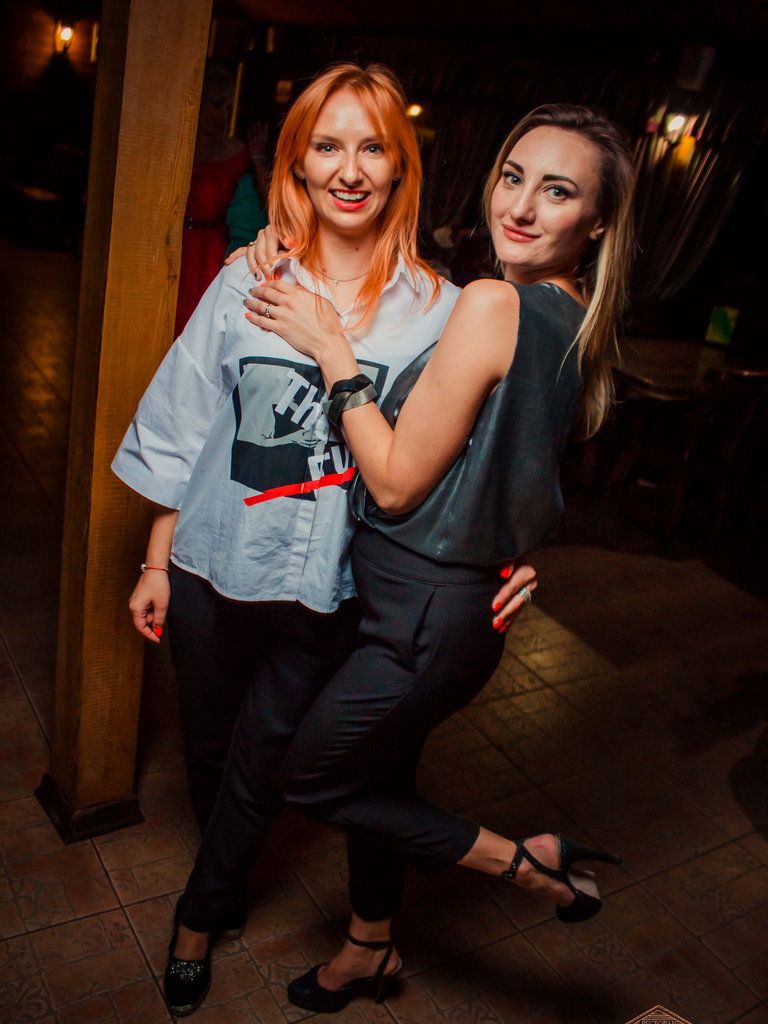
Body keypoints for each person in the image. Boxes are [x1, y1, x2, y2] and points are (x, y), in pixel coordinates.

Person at [111, 62, 534, 1017]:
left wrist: (514, 553)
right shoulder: (248, 276)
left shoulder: (442, 310)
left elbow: (477, 458)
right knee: (210, 750)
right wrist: (155, 559)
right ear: (297, 164)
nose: (350, 169)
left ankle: (195, 920)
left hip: (328, 587)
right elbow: (187, 423)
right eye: (327, 146)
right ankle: (219, 884)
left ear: (400, 167)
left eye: (372, 147)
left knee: (262, 759)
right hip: (210, 565)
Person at [238, 101, 635, 1013]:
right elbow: (517, 472)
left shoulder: (495, 302)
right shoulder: (575, 318)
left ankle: (525, 862)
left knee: (311, 777)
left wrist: (331, 348)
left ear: (597, 221)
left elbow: (392, 485)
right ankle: (367, 949)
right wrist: (508, 552)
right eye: (513, 177)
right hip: (446, 603)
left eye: (558, 191)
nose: (521, 207)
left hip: (422, 613)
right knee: (382, 776)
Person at [174, 63, 268, 337]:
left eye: (227, 107)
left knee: (201, 322)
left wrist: (259, 158)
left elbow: (271, 206)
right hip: (175, 243)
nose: (223, 115)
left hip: (212, 249)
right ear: (198, 104)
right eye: (216, 105)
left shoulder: (236, 152)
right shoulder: (173, 146)